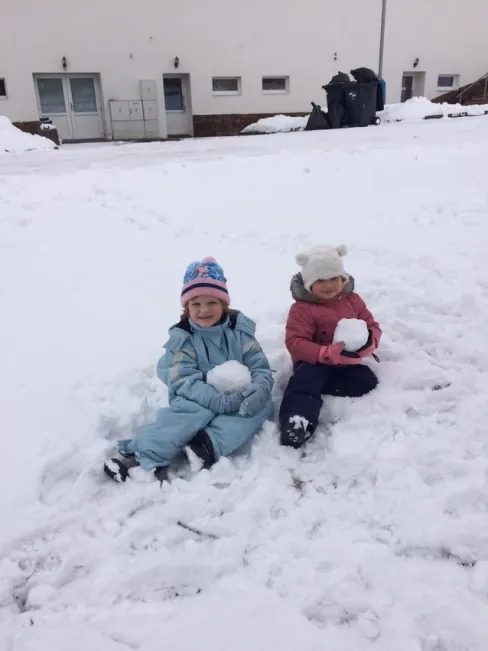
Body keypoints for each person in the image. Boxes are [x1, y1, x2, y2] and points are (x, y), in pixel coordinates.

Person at [104, 257, 274, 483]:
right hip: (194, 395)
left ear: (223, 304)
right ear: (187, 308)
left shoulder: (240, 332)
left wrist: (261, 387)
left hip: (235, 394)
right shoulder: (183, 340)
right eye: (196, 304)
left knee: (259, 407)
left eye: (212, 303)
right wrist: (216, 401)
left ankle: (206, 445)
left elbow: (258, 363)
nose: (204, 310)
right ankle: (139, 456)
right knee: (185, 419)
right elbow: (183, 380)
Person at [279, 245, 381, 449]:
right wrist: (326, 354)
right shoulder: (302, 309)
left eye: (334, 278)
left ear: (343, 279)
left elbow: (372, 326)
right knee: (307, 380)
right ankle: (297, 422)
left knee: (367, 380)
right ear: (309, 284)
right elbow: (296, 343)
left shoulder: (353, 300)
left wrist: (368, 342)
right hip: (313, 361)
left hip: (346, 360)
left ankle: (319, 387)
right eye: (321, 280)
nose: (329, 285)